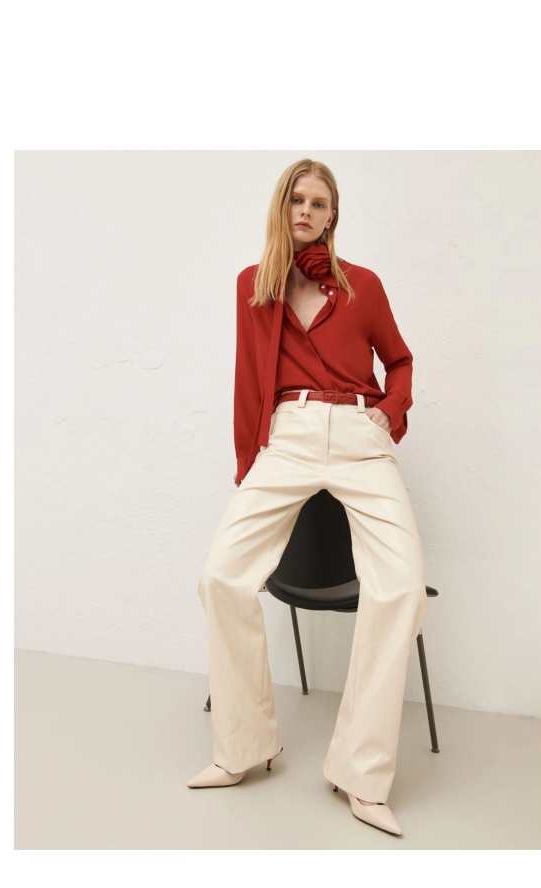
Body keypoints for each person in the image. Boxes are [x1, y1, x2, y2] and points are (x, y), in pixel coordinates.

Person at [189, 159, 430, 838]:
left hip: (359, 433)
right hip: (288, 435)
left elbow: (400, 361)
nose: (306, 210)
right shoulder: (254, 285)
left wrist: (388, 412)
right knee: (221, 577)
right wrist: (250, 464)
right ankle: (242, 747)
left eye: (319, 203)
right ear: (282, 206)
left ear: (332, 215)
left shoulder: (364, 286)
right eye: (297, 198)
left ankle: (362, 773)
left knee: (401, 587)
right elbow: (248, 378)